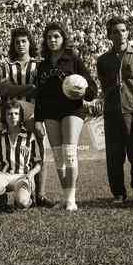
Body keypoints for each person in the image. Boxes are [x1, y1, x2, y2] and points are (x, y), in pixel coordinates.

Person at [34, 22, 97, 211]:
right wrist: (38, 119)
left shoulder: (73, 60)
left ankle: (71, 199)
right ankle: (65, 196)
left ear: (63, 39)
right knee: (58, 156)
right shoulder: (43, 65)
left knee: (69, 153)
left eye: (56, 36)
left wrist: (83, 92)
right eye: (49, 37)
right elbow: (40, 95)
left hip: (72, 110)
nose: (52, 40)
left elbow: (92, 89)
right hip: (50, 112)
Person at [97, 16, 133, 205]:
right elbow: (103, 86)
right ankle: (118, 194)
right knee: (114, 155)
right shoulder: (102, 60)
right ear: (109, 35)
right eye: (115, 31)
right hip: (112, 112)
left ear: (128, 32)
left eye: (122, 30)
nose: (119, 34)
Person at [0, 28, 53, 208]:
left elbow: (43, 90)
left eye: (24, 41)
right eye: (17, 42)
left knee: (40, 150)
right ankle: (1, 192)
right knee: (5, 152)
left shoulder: (38, 64)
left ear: (30, 43)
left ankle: (40, 194)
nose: (21, 45)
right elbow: (5, 89)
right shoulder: (7, 65)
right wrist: (30, 88)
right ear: (13, 45)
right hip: (11, 112)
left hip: (33, 111)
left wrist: (18, 89)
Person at [0, 99, 41, 211]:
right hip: (5, 175)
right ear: (5, 117)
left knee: (22, 203)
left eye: (16, 113)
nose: (13, 116)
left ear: (21, 116)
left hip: (23, 176)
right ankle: (1, 198)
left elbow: (38, 163)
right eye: (9, 114)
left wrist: (31, 174)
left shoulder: (29, 136)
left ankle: (27, 199)